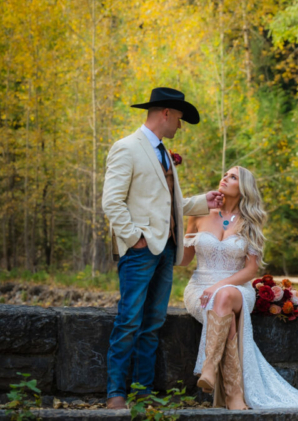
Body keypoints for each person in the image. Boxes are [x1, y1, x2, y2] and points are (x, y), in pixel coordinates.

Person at [102, 87, 224, 410]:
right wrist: (134, 238)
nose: (180, 127)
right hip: (140, 252)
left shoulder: (164, 154)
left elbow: (167, 204)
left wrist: (202, 202)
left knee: (153, 323)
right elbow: (111, 202)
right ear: (166, 113)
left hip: (167, 250)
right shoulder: (126, 148)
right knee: (129, 320)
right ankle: (116, 394)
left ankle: (141, 392)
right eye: (180, 119)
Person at [182, 166, 298, 409]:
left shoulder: (250, 221)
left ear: (243, 187)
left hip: (237, 287)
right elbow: (183, 260)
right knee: (228, 318)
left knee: (224, 295)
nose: (225, 178)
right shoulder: (199, 214)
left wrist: (217, 286)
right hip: (199, 288)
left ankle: (209, 368)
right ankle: (234, 394)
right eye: (225, 174)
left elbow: (250, 271)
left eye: (233, 176)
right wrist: (170, 231)